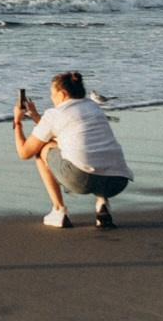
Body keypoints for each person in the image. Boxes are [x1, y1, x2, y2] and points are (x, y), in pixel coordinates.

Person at [11, 71, 132, 229]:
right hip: (117, 180)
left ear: (61, 94)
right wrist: (36, 117)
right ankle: (102, 203)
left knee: (42, 151)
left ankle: (59, 210)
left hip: (82, 179)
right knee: (92, 149)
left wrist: (17, 121)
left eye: (52, 94)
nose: (51, 98)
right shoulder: (93, 107)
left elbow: (24, 152)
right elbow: (68, 135)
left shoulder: (55, 114)